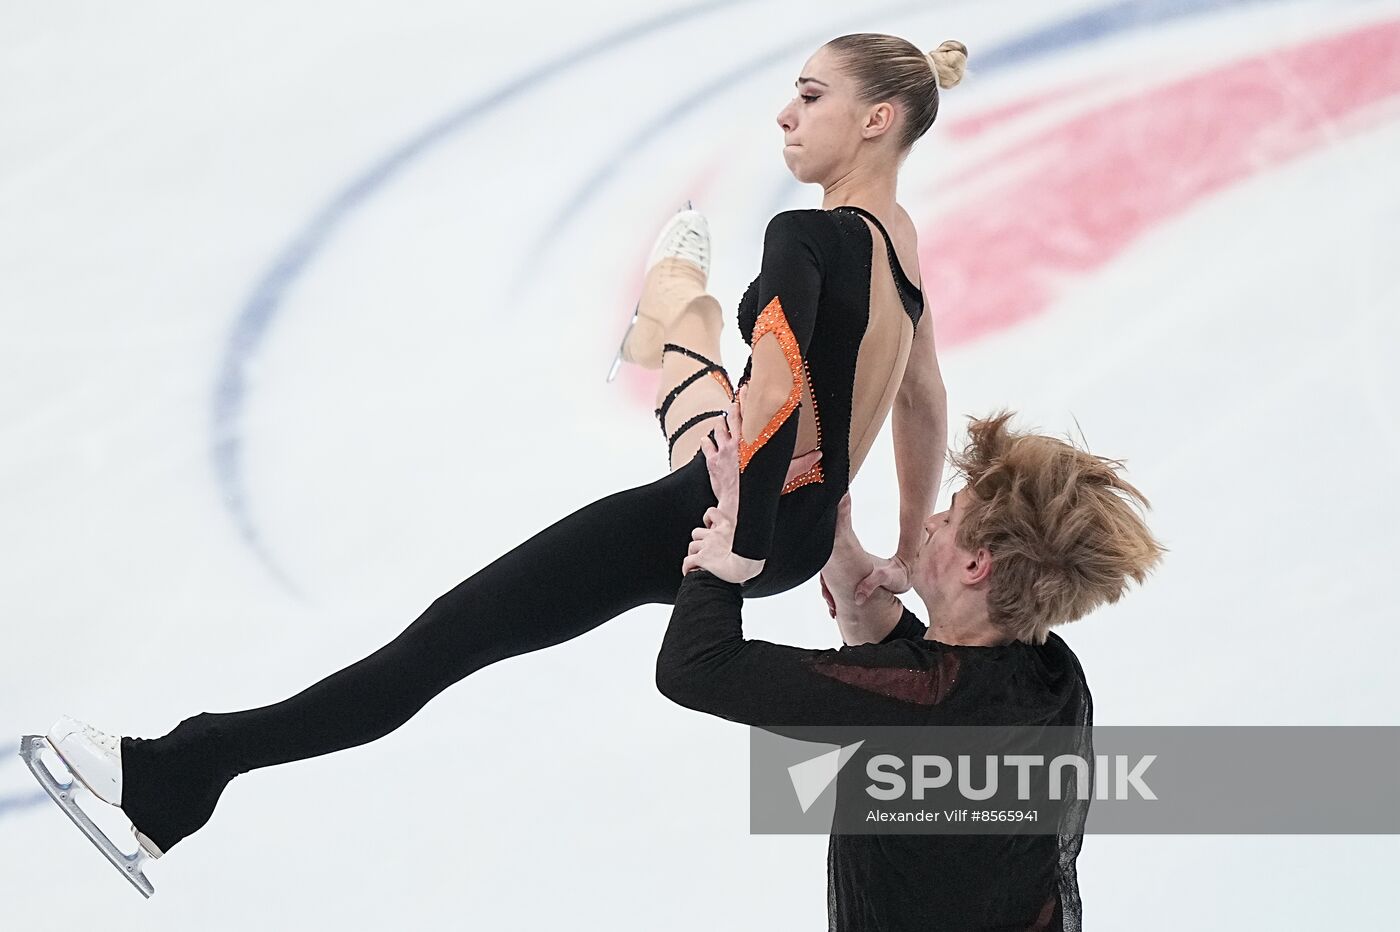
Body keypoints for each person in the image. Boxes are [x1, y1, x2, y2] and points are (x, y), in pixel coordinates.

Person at [32, 33, 968, 870]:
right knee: (696, 396)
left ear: (877, 118)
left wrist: (742, 540)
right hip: (789, 512)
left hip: (737, 513)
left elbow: (776, 389)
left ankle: (180, 773)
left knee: (444, 641)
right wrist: (904, 543)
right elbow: (921, 397)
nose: (785, 112)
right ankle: (675, 311)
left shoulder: (805, 235)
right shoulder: (903, 244)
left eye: (811, 96)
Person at [657, 402, 1166, 931]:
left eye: (950, 516)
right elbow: (922, 681)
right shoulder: (1054, 677)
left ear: (976, 564)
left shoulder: (923, 699)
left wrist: (729, 539)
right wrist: (834, 532)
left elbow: (694, 666)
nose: (930, 522)